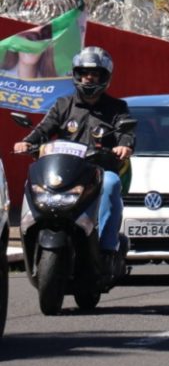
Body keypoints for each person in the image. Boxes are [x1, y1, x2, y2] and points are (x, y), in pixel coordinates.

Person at [14, 46, 134, 277]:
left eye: (95, 73)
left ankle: (107, 249)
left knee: (111, 185)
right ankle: (33, 231)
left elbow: (126, 133)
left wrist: (124, 146)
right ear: (76, 74)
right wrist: (27, 142)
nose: (89, 78)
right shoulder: (63, 105)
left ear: (104, 77)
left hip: (98, 171)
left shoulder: (117, 108)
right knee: (35, 181)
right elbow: (43, 129)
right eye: (85, 73)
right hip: (67, 171)